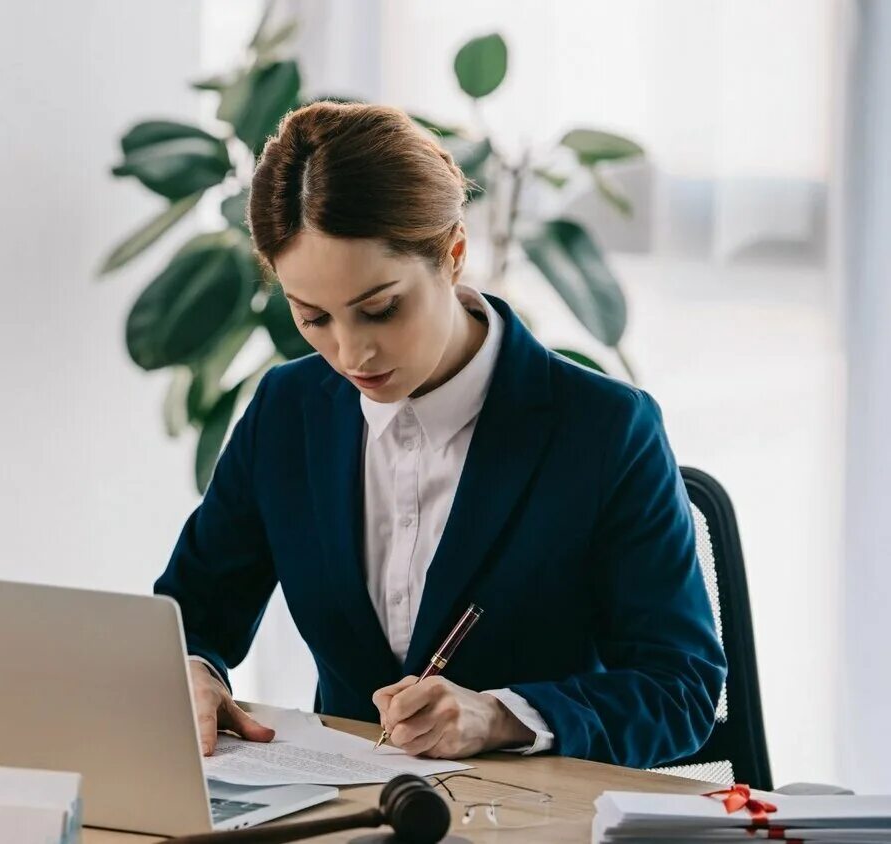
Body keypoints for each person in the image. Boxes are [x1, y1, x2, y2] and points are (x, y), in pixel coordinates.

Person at [154, 102, 725, 769]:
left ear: (453, 254)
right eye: (313, 318)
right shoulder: (287, 410)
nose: (351, 354)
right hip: (344, 815)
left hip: (532, 821)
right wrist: (192, 670)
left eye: (380, 309)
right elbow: (190, 613)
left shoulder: (604, 430)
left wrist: (502, 716)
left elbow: (678, 689)